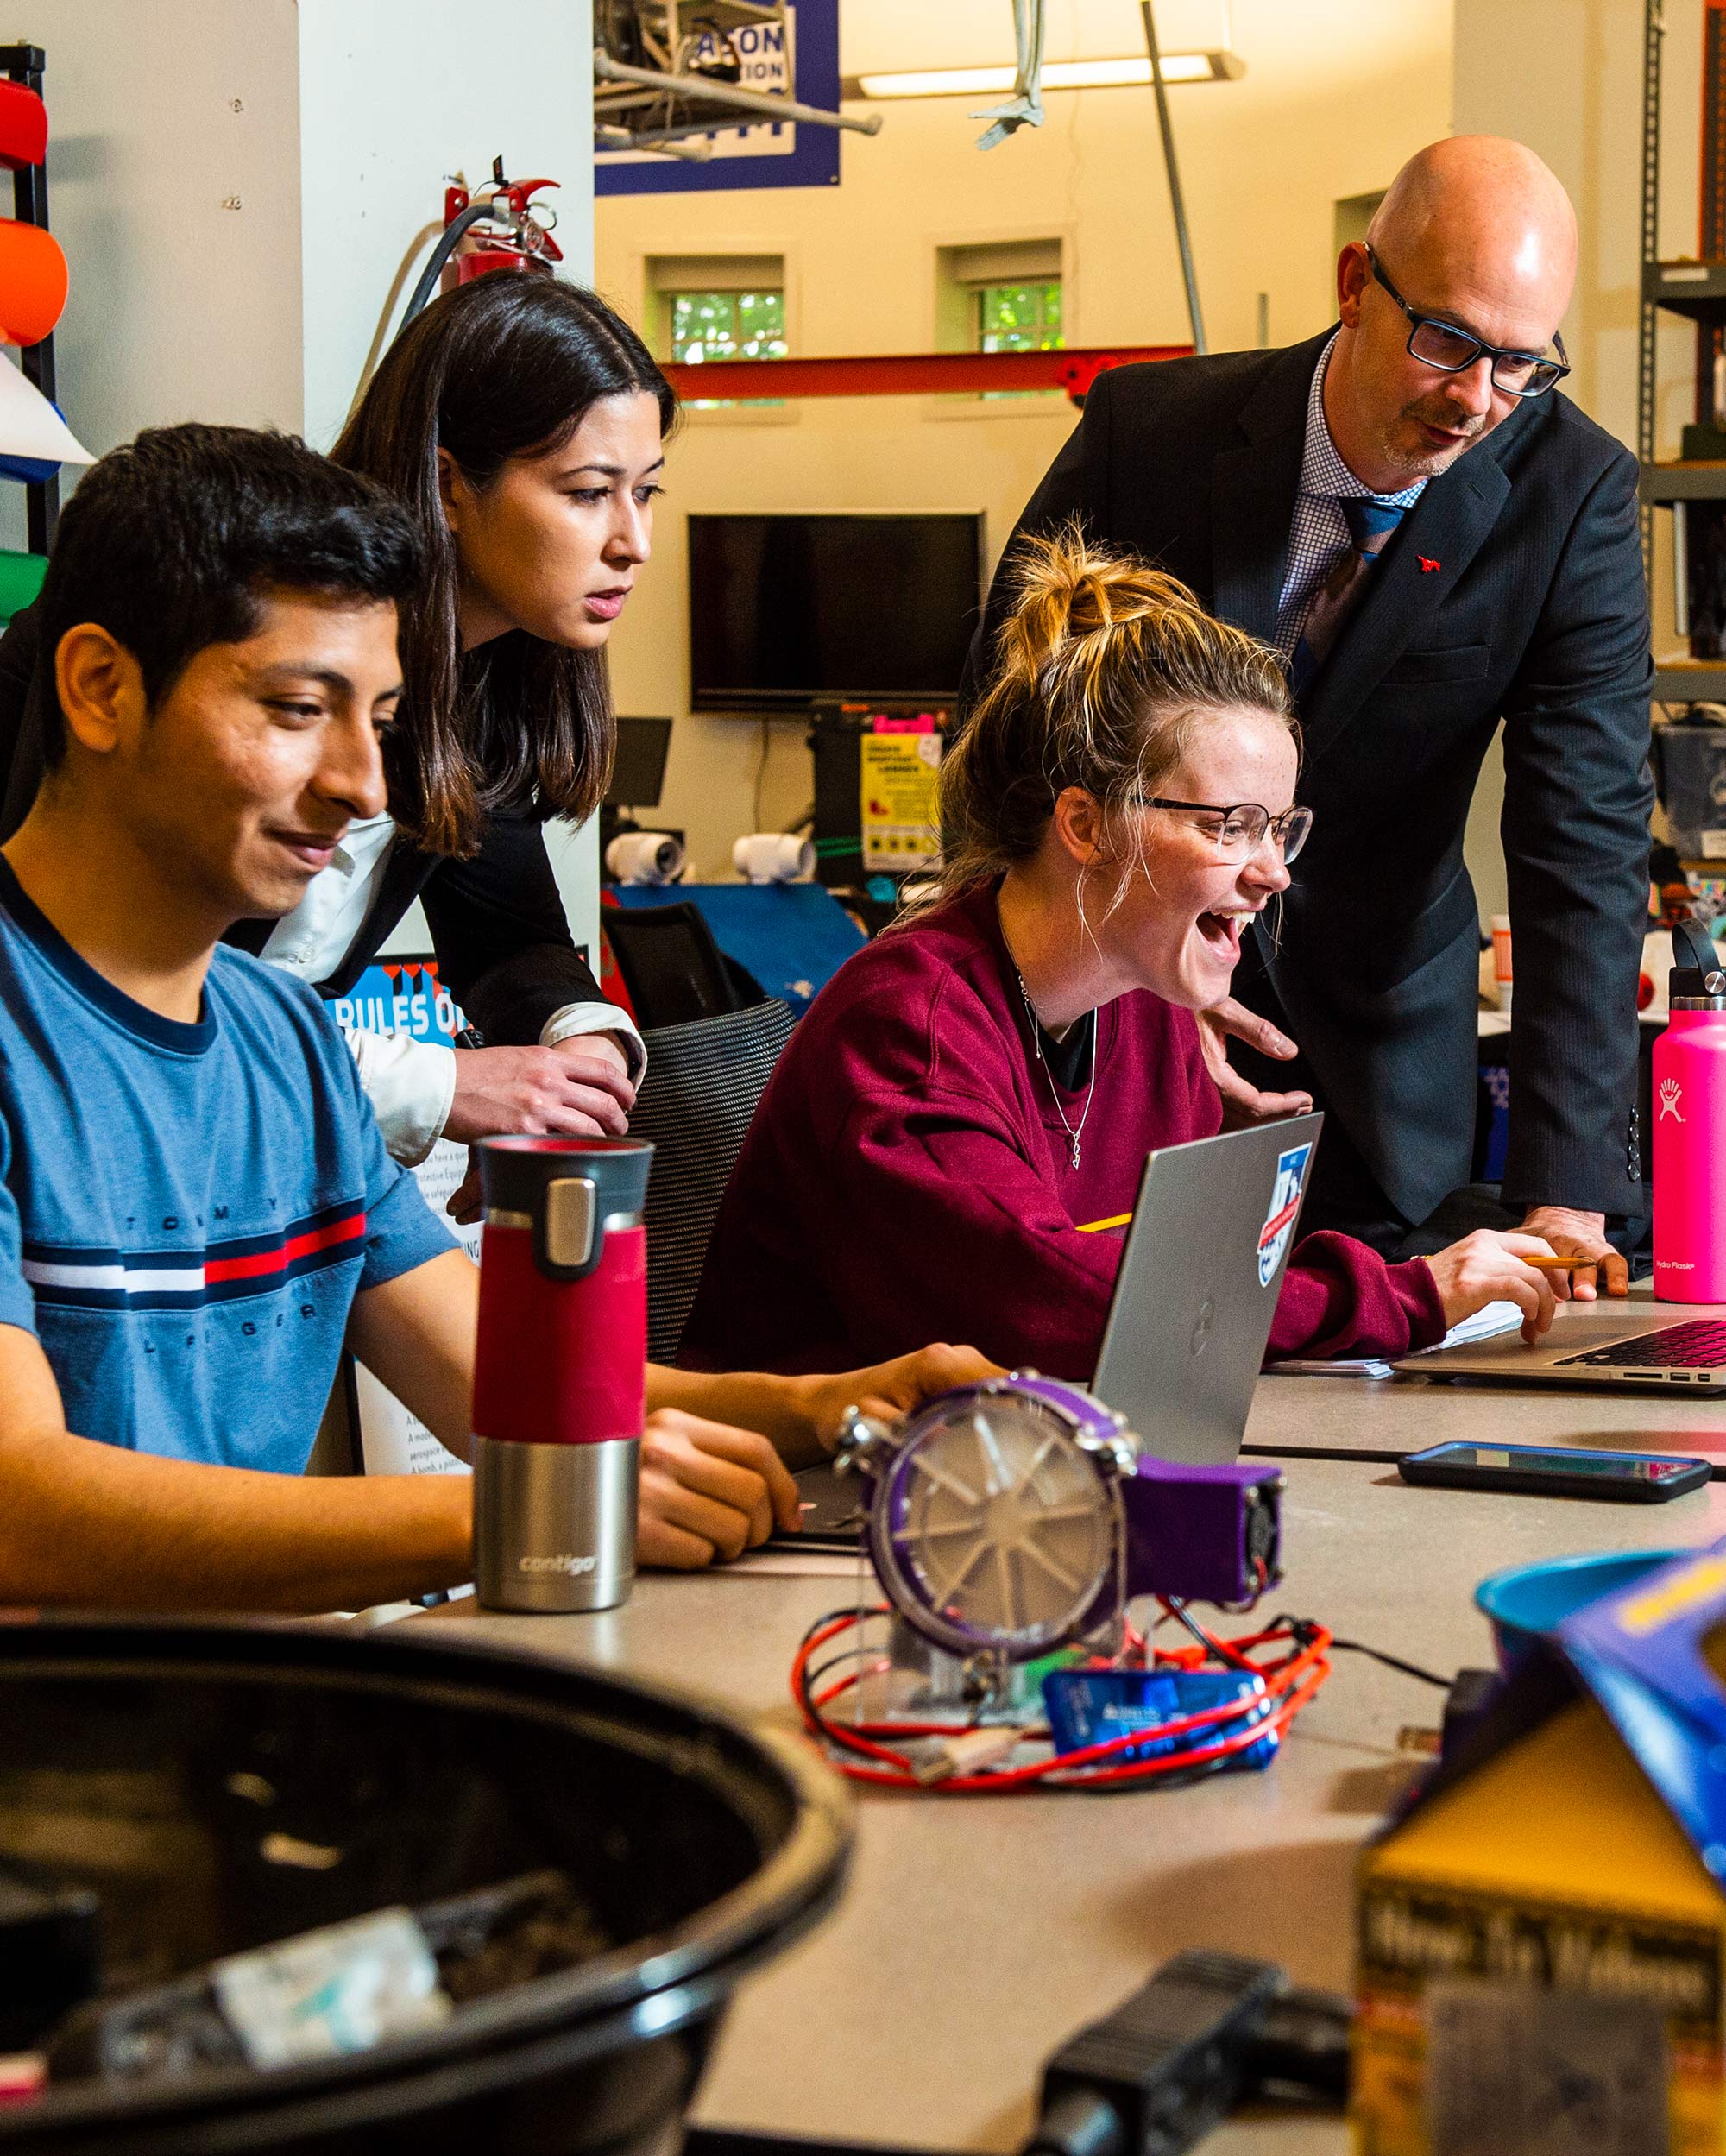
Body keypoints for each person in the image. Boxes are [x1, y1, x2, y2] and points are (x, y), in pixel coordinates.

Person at [0, 423, 987, 1612]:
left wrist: (830, 1403)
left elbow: (506, 1387)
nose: (364, 784)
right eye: (300, 708)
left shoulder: (283, 1039)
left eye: (383, 718)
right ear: (102, 688)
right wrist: (532, 1509)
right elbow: (22, 1507)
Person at [967, 136, 1650, 1301]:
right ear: (1354, 283)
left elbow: (1582, 838)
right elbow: (1006, 722)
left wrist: (1566, 1182)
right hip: (1127, 1038)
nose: (1476, 401)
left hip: (1378, 1057)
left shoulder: (1570, 490)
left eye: (1520, 366)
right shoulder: (1153, 434)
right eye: (1447, 341)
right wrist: (1138, 969)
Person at [682, 531, 1562, 1381]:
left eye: (1280, 827)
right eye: (1229, 825)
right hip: (816, 1506)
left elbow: (1178, 1291)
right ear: (1085, 824)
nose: (1271, 873)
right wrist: (1402, 1293)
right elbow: (1060, 1309)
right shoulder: (909, 1029)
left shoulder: (1144, 1005)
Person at [0, 274, 672, 1170]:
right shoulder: (182, 609)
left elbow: (512, 937)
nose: (634, 541)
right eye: (590, 491)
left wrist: (577, 1062)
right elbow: (101, 986)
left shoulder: (478, 679)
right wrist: (431, 1087)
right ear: (448, 484)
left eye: (647, 492)